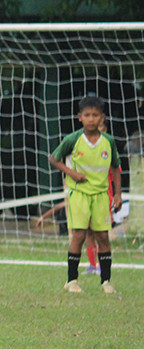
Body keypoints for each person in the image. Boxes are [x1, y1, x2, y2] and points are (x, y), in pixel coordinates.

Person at [49, 95, 122, 294]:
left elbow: (116, 167)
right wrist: (71, 173)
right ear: (80, 117)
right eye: (87, 115)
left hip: (100, 195)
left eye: (95, 115)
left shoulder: (109, 141)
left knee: (103, 237)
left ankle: (106, 281)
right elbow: (53, 159)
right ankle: (72, 281)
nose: (91, 119)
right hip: (79, 194)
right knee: (79, 235)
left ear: (102, 118)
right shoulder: (73, 139)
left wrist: (118, 194)